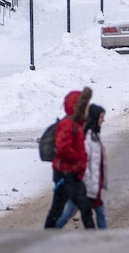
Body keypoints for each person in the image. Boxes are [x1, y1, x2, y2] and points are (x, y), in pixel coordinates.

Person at [43, 86, 95, 229]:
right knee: (84, 207)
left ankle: (44, 237)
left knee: (57, 210)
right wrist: (78, 159)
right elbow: (62, 148)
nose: (87, 109)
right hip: (67, 174)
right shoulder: (68, 124)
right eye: (85, 106)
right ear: (78, 107)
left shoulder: (76, 124)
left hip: (69, 174)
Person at [55, 103, 107, 229]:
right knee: (96, 213)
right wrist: (89, 184)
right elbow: (83, 163)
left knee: (71, 212)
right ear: (94, 118)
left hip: (91, 185)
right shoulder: (88, 139)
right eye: (101, 117)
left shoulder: (95, 136)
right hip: (85, 186)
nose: (103, 120)